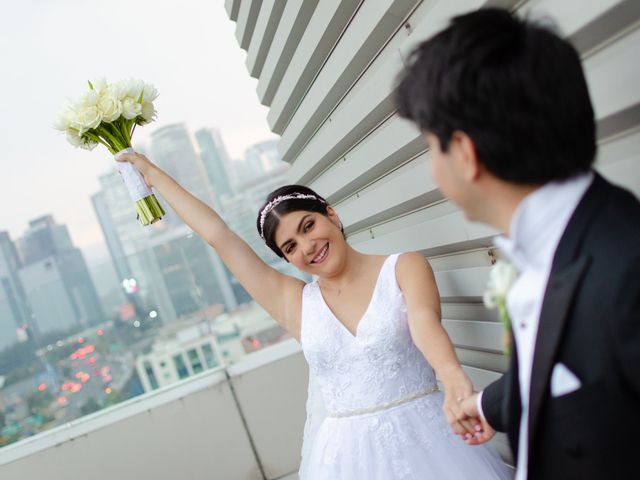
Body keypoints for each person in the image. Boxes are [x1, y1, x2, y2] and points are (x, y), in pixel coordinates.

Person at [117, 152, 511, 479]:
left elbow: (426, 324)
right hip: (345, 461)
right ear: (287, 259)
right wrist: (152, 175)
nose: (308, 246)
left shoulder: (403, 268)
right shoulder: (295, 302)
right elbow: (219, 236)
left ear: (331, 214)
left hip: (431, 445)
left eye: (309, 226)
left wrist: (455, 379)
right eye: (290, 247)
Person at [395, 7, 640, 480]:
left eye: (429, 146)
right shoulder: (544, 247)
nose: (430, 167)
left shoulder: (626, 270)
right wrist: (487, 405)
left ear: (465, 154)